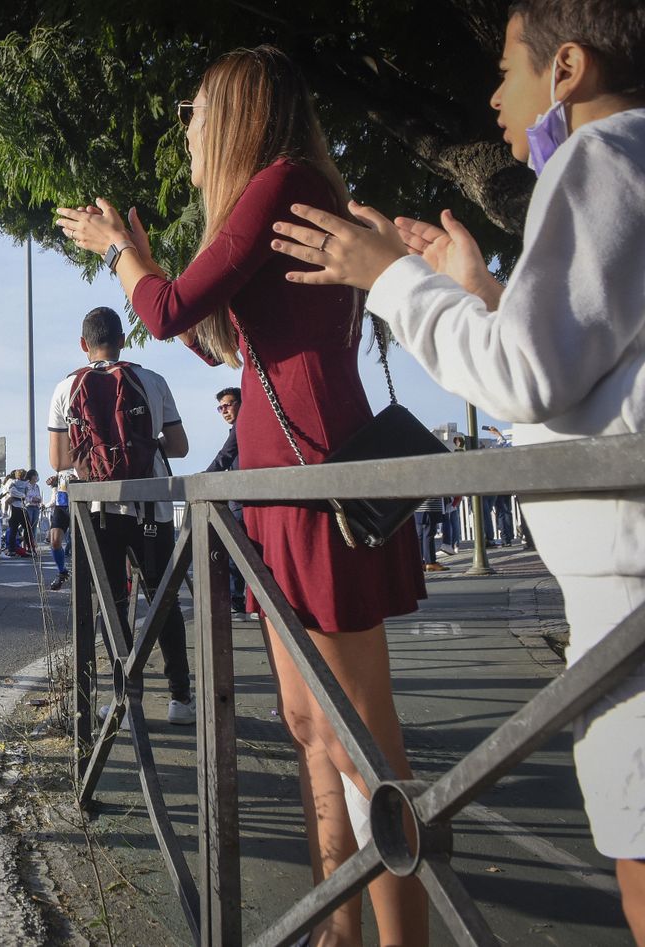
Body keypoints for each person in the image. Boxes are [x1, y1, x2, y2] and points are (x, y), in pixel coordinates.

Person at [267, 1, 645, 932]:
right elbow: (578, 348)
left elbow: (526, 373)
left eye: (507, 70)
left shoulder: (601, 157)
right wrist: (474, 292)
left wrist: (387, 276)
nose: (492, 96)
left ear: (568, 69)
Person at [57, 46, 429, 944]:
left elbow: (170, 308)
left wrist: (121, 256)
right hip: (279, 486)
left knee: (361, 743)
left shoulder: (282, 177)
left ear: (235, 112)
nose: (187, 133)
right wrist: (143, 264)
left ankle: (400, 935)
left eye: (194, 116)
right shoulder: (282, 191)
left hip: (315, 484)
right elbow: (223, 341)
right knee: (312, 727)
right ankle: (335, 928)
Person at [47, 307, 196, 727]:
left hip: (99, 511)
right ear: (123, 339)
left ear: (84, 344)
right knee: (162, 600)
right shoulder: (152, 380)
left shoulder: (65, 388)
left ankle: (124, 702)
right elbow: (180, 446)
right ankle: (180, 699)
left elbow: (58, 459)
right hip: (153, 507)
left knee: (111, 605)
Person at [203, 387, 250, 615]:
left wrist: (201, 481)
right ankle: (238, 599)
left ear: (242, 402)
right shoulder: (241, 428)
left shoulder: (243, 427)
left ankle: (236, 600)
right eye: (220, 407)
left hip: (243, 500)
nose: (224, 411)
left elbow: (224, 457)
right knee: (238, 552)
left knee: (236, 552)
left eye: (228, 405)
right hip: (238, 499)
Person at [45, 472, 72, 591]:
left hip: (81, 498)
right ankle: (62, 572)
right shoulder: (62, 459)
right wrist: (55, 481)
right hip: (62, 501)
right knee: (55, 542)